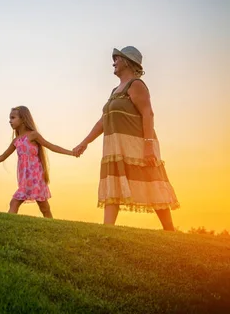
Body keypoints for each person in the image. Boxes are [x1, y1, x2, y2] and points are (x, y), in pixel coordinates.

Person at [73, 46, 179, 230]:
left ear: (127, 62)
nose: (113, 61)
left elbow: (148, 114)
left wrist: (148, 146)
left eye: (117, 58)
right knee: (114, 180)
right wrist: (85, 142)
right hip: (116, 147)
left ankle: (170, 230)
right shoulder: (115, 90)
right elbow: (103, 122)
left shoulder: (136, 85)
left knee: (151, 180)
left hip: (137, 144)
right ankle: (108, 229)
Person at [0, 106, 74, 217]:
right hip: (25, 178)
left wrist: (71, 153)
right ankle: (50, 224)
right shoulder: (16, 141)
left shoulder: (33, 135)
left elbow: (51, 146)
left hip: (35, 176)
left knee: (18, 202)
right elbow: (3, 156)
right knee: (43, 207)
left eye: (13, 118)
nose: (10, 121)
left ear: (23, 119)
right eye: (10, 118)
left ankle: (8, 224)